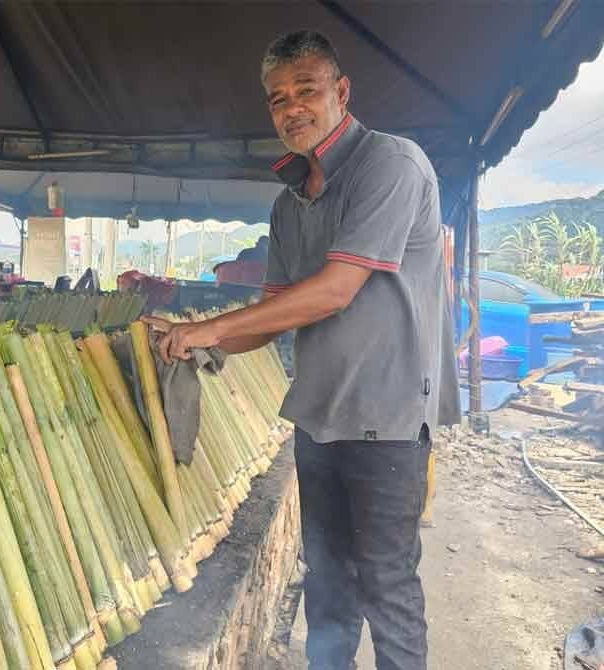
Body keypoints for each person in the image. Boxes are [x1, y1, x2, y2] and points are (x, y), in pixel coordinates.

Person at [144, 30, 459, 670]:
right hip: (319, 417)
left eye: (306, 91)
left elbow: (335, 291)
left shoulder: (390, 164)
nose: (292, 108)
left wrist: (211, 328)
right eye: (277, 98)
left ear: (340, 92)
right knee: (327, 583)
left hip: (389, 417)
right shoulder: (289, 205)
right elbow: (275, 320)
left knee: (386, 586)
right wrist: (198, 340)